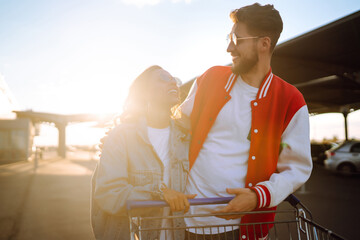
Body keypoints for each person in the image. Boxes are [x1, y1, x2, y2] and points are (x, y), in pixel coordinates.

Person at [180, 3, 312, 240]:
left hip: (243, 229)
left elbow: (297, 168)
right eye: (229, 37)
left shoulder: (291, 100)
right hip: (183, 220)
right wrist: (126, 133)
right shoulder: (210, 78)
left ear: (264, 44)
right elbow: (176, 127)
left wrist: (258, 196)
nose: (229, 46)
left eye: (237, 38)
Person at [91, 65, 196, 240]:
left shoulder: (184, 136)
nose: (173, 82)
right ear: (144, 93)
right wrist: (160, 193)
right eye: (163, 77)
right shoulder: (121, 136)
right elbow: (109, 193)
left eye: (174, 79)